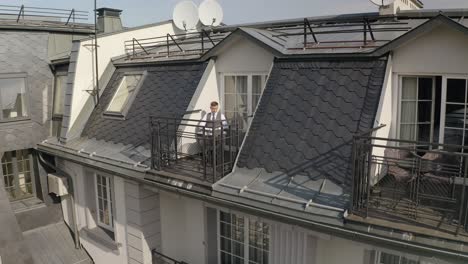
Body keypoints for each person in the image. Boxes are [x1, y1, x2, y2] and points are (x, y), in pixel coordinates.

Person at [198, 101, 228, 170]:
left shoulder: (221, 115)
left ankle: (218, 162)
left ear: (217, 108)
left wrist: (218, 128)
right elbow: (201, 125)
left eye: (215, 108)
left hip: (218, 135)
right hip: (209, 135)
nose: (214, 110)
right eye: (213, 108)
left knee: (220, 143)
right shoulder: (207, 115)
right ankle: (207, 159)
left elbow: (225, 126)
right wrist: (207, 128)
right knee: (202, 142)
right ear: (210, 108)